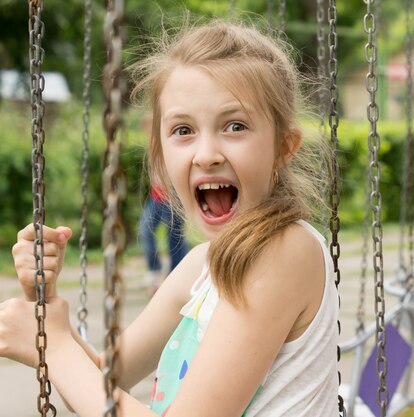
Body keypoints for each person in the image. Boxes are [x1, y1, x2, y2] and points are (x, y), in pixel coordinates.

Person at [3, 21, 338, 417]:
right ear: (161, 153)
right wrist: (48, 309)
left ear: (284, 148)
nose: (206, 153)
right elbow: (103, 381)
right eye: (183, 130)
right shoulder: (201, 265)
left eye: (236, 126)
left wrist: (54, 346)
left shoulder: (284, 251)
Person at [139, 115, 190, 294]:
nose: (149, 136)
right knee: (145, 231)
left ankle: (173, 277)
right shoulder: (152, 149)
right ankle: (154, 270)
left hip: (172, 196)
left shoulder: (170, 148)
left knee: (174, 237)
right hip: (156, 198)